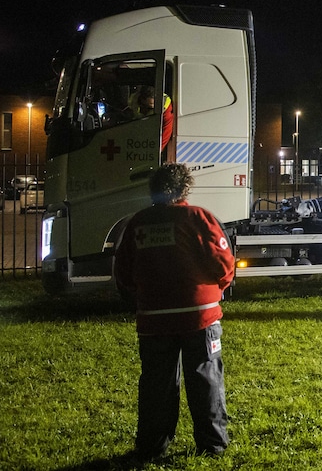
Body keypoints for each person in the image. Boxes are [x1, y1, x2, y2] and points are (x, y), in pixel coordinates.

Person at [113, 164, 235, 458]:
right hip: (199, 315)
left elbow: (123, 272)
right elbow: (223, 263)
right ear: (184, 189)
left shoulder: (138, 223)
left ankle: (152, 446)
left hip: (154, 318)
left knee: (157, 383)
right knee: (205, 379)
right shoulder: (197, 218)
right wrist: (219, 287)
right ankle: (212, 444)